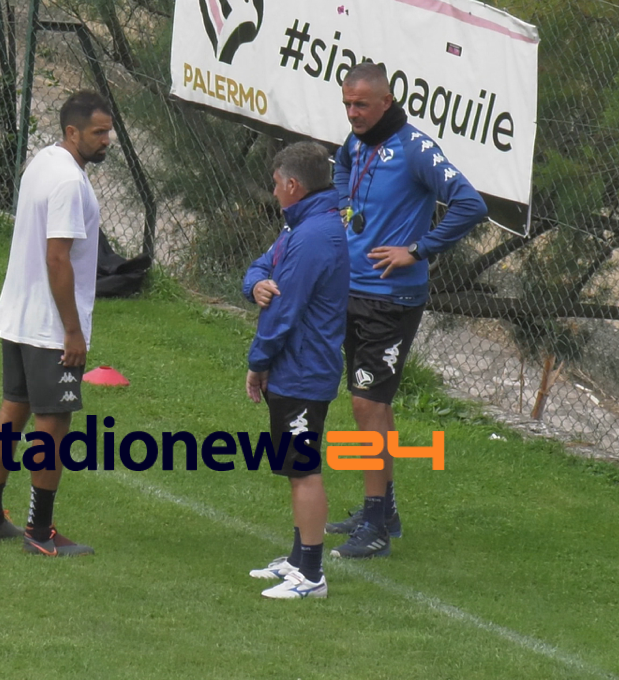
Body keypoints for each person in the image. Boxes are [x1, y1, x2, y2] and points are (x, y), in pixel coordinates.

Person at [326, 63, 488, 558]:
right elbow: (341, 167)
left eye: (361, 105)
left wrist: (417, 250)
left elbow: (470, 204)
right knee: (372, 403)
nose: (353, 113)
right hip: (353, 289)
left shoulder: (416, 149)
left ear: (387, 102)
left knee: (366, 404)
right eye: (347, 104)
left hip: (391, 299)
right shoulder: (357, 142)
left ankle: (375, 528)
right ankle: (382, 512)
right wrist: (344, 205)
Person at [0, 91, 114, 557]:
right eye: (98, 132)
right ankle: (40, 531)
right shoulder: (70, 182)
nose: (106, 140)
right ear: (72, 132)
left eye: (108, 131)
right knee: (52, 423)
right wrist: (72, 331)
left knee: (12, 411)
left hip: (18, 314)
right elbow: (58, 258)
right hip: (48, 326)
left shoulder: (42, 162)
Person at [242, 141, 350, 598]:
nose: (273, 191)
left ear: (292, 184)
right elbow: (261, 267)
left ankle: (311, 575)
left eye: (275, 184)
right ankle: (298, 558)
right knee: (295, 467)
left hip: (303, 369)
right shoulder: (302, 226)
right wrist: (255, 285)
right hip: (297, 366)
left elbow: (285, 310)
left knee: (304, 468)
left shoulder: (312, 237)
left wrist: (258, 362)